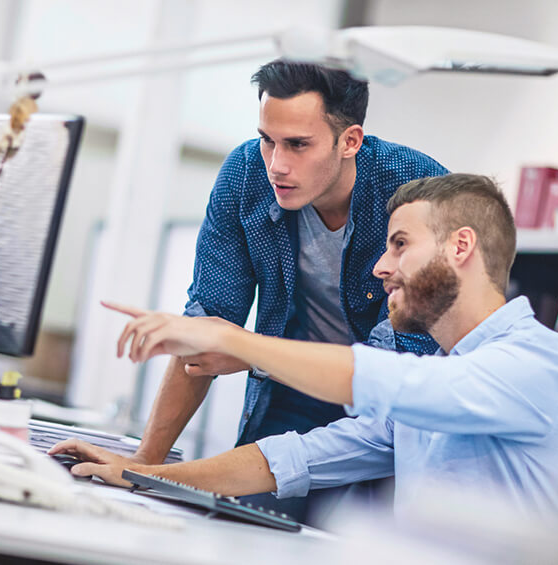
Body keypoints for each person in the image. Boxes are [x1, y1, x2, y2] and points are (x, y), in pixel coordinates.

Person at [51, 173, 558, 524]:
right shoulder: (445, 377)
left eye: (400, 245)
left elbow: (380, 378)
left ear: (461, 246)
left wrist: (228, 338)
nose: (380, 267)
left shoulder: (536, 365)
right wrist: (143, 475)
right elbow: (299, 458)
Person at [127, 58, 448, 519]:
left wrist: (251, 353)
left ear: (350, 141)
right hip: (289, 395)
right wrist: (144, 464)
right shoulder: (245, 175)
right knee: (238, 525)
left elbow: (399, 372)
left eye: (298, 145)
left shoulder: (416, 191)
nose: (277, 164)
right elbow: (207, 326)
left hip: (388, 419)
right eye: (267, 140)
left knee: (357, 539)